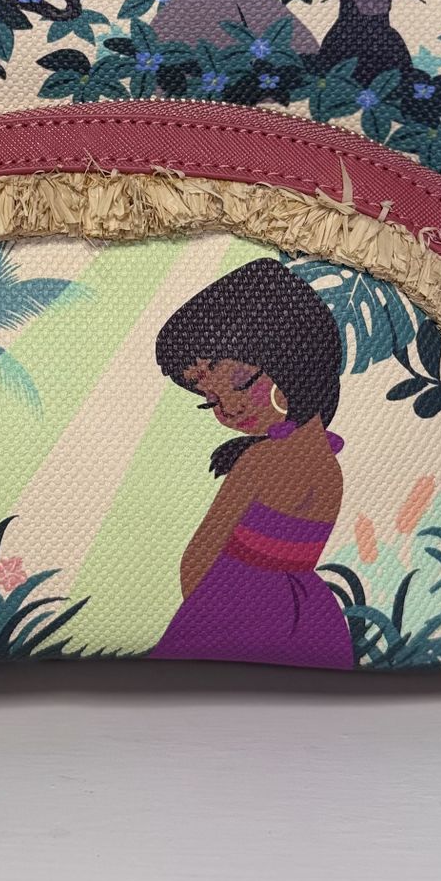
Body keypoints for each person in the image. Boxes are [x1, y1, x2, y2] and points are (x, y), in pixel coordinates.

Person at [151, 258, 354, 668]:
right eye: (210, 399)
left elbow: (200, 557)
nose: (230, 406)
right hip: (305, 613)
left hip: (238, 606)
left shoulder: (262, 460)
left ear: (292, 357)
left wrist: (205, 613)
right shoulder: (328, 464)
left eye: (240, 381)